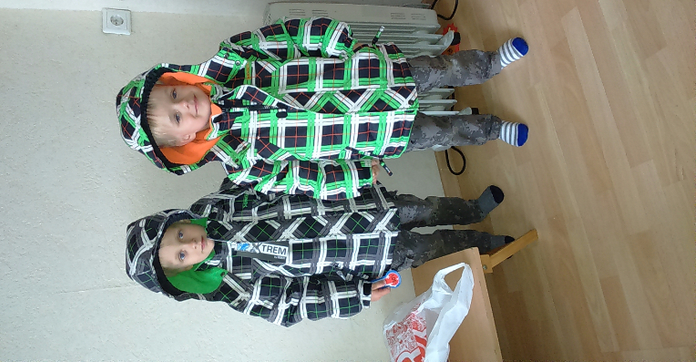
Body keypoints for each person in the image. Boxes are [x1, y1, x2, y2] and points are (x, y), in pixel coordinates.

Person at [116, 17, 529, 200]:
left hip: (368, 75)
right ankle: (493, 129)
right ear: (185, 141)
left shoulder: (235, 58)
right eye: (176, 117)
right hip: (369, 136)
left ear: (178, 78)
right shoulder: (242, 163)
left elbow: (290, 36)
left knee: (438, 69)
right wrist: (354, 176)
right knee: (440, 133)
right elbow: (302, 179)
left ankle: (490, 63)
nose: (185, 104)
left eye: (174, 94)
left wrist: (338, 43)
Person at [125, 179, 515, 327]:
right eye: (181, 256)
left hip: (360, 207)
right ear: (184, 274)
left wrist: (344, 171)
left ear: (180, 219)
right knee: (430, 247)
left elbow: (268, 176)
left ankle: (472, 210)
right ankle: (484, 243)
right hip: (362, 254)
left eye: (180, 234)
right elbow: (292, 305)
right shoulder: (232, 287)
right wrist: (357, 295)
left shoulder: (218, 205)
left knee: (423, 207)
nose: (189, 244)